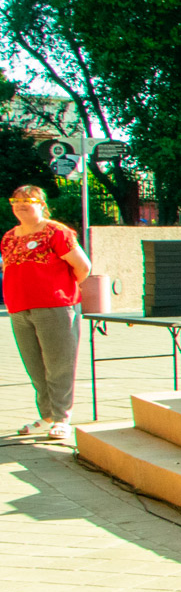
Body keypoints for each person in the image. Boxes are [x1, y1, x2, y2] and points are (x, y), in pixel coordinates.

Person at [3, 184, 89, 442]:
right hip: (19, 308)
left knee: (59, 365)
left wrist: (59, 291)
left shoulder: (56, 232)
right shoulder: (9, 237)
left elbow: (83, 267)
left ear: (41, 204)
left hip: (54, 307)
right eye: (15, 200)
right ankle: (48, 416)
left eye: (27, 200)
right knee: (35, 367)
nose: (20, 204)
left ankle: (62, 419)